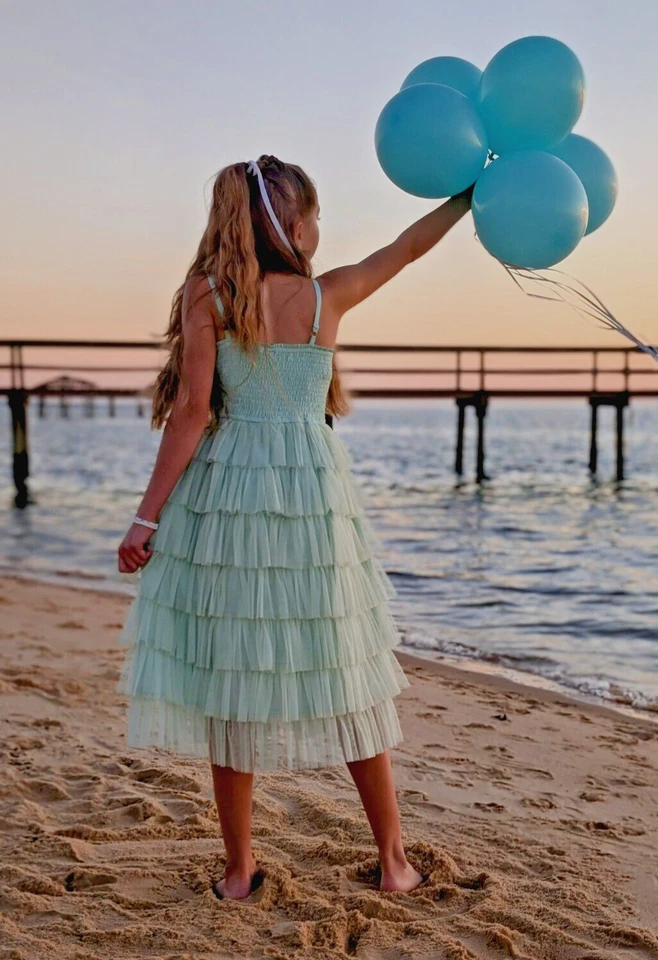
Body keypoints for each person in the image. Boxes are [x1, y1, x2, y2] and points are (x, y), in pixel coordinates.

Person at [117, 154, 473, 900]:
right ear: (296, 225)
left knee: (232, 675)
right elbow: (407, 248)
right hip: (313, 493)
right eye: (312, 213)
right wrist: (468, 195)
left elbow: (189, 414)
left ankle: (241, 871)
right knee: (344, 670)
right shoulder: (325, 296)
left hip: (232, 496)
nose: (319, 226)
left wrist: (147, 516)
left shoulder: (208, 295)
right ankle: (396, 862)